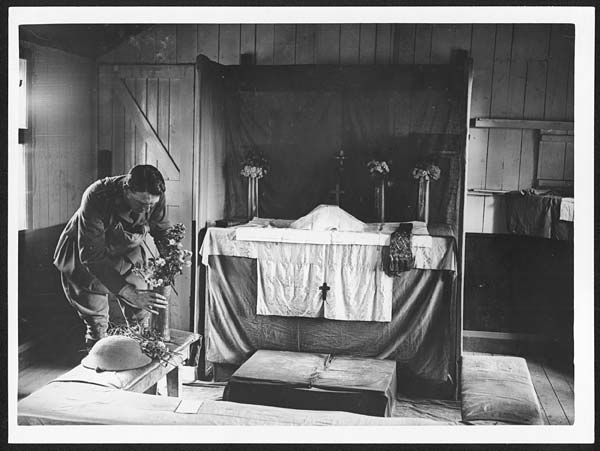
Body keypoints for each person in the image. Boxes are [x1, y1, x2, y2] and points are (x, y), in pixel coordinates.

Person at [54, 165, 171, 346]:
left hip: (125, 250)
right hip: (86, 253)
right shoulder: (97, 195)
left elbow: (163, 234)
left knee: (142, 315)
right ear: (126, 190)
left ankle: (140, 358)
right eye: (141, 204)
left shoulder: (155, 196)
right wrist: (126, 291)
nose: (147, 210)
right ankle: (99, 359)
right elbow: (92, 257)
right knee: (96, 320)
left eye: (151, 205)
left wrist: (169, 264)